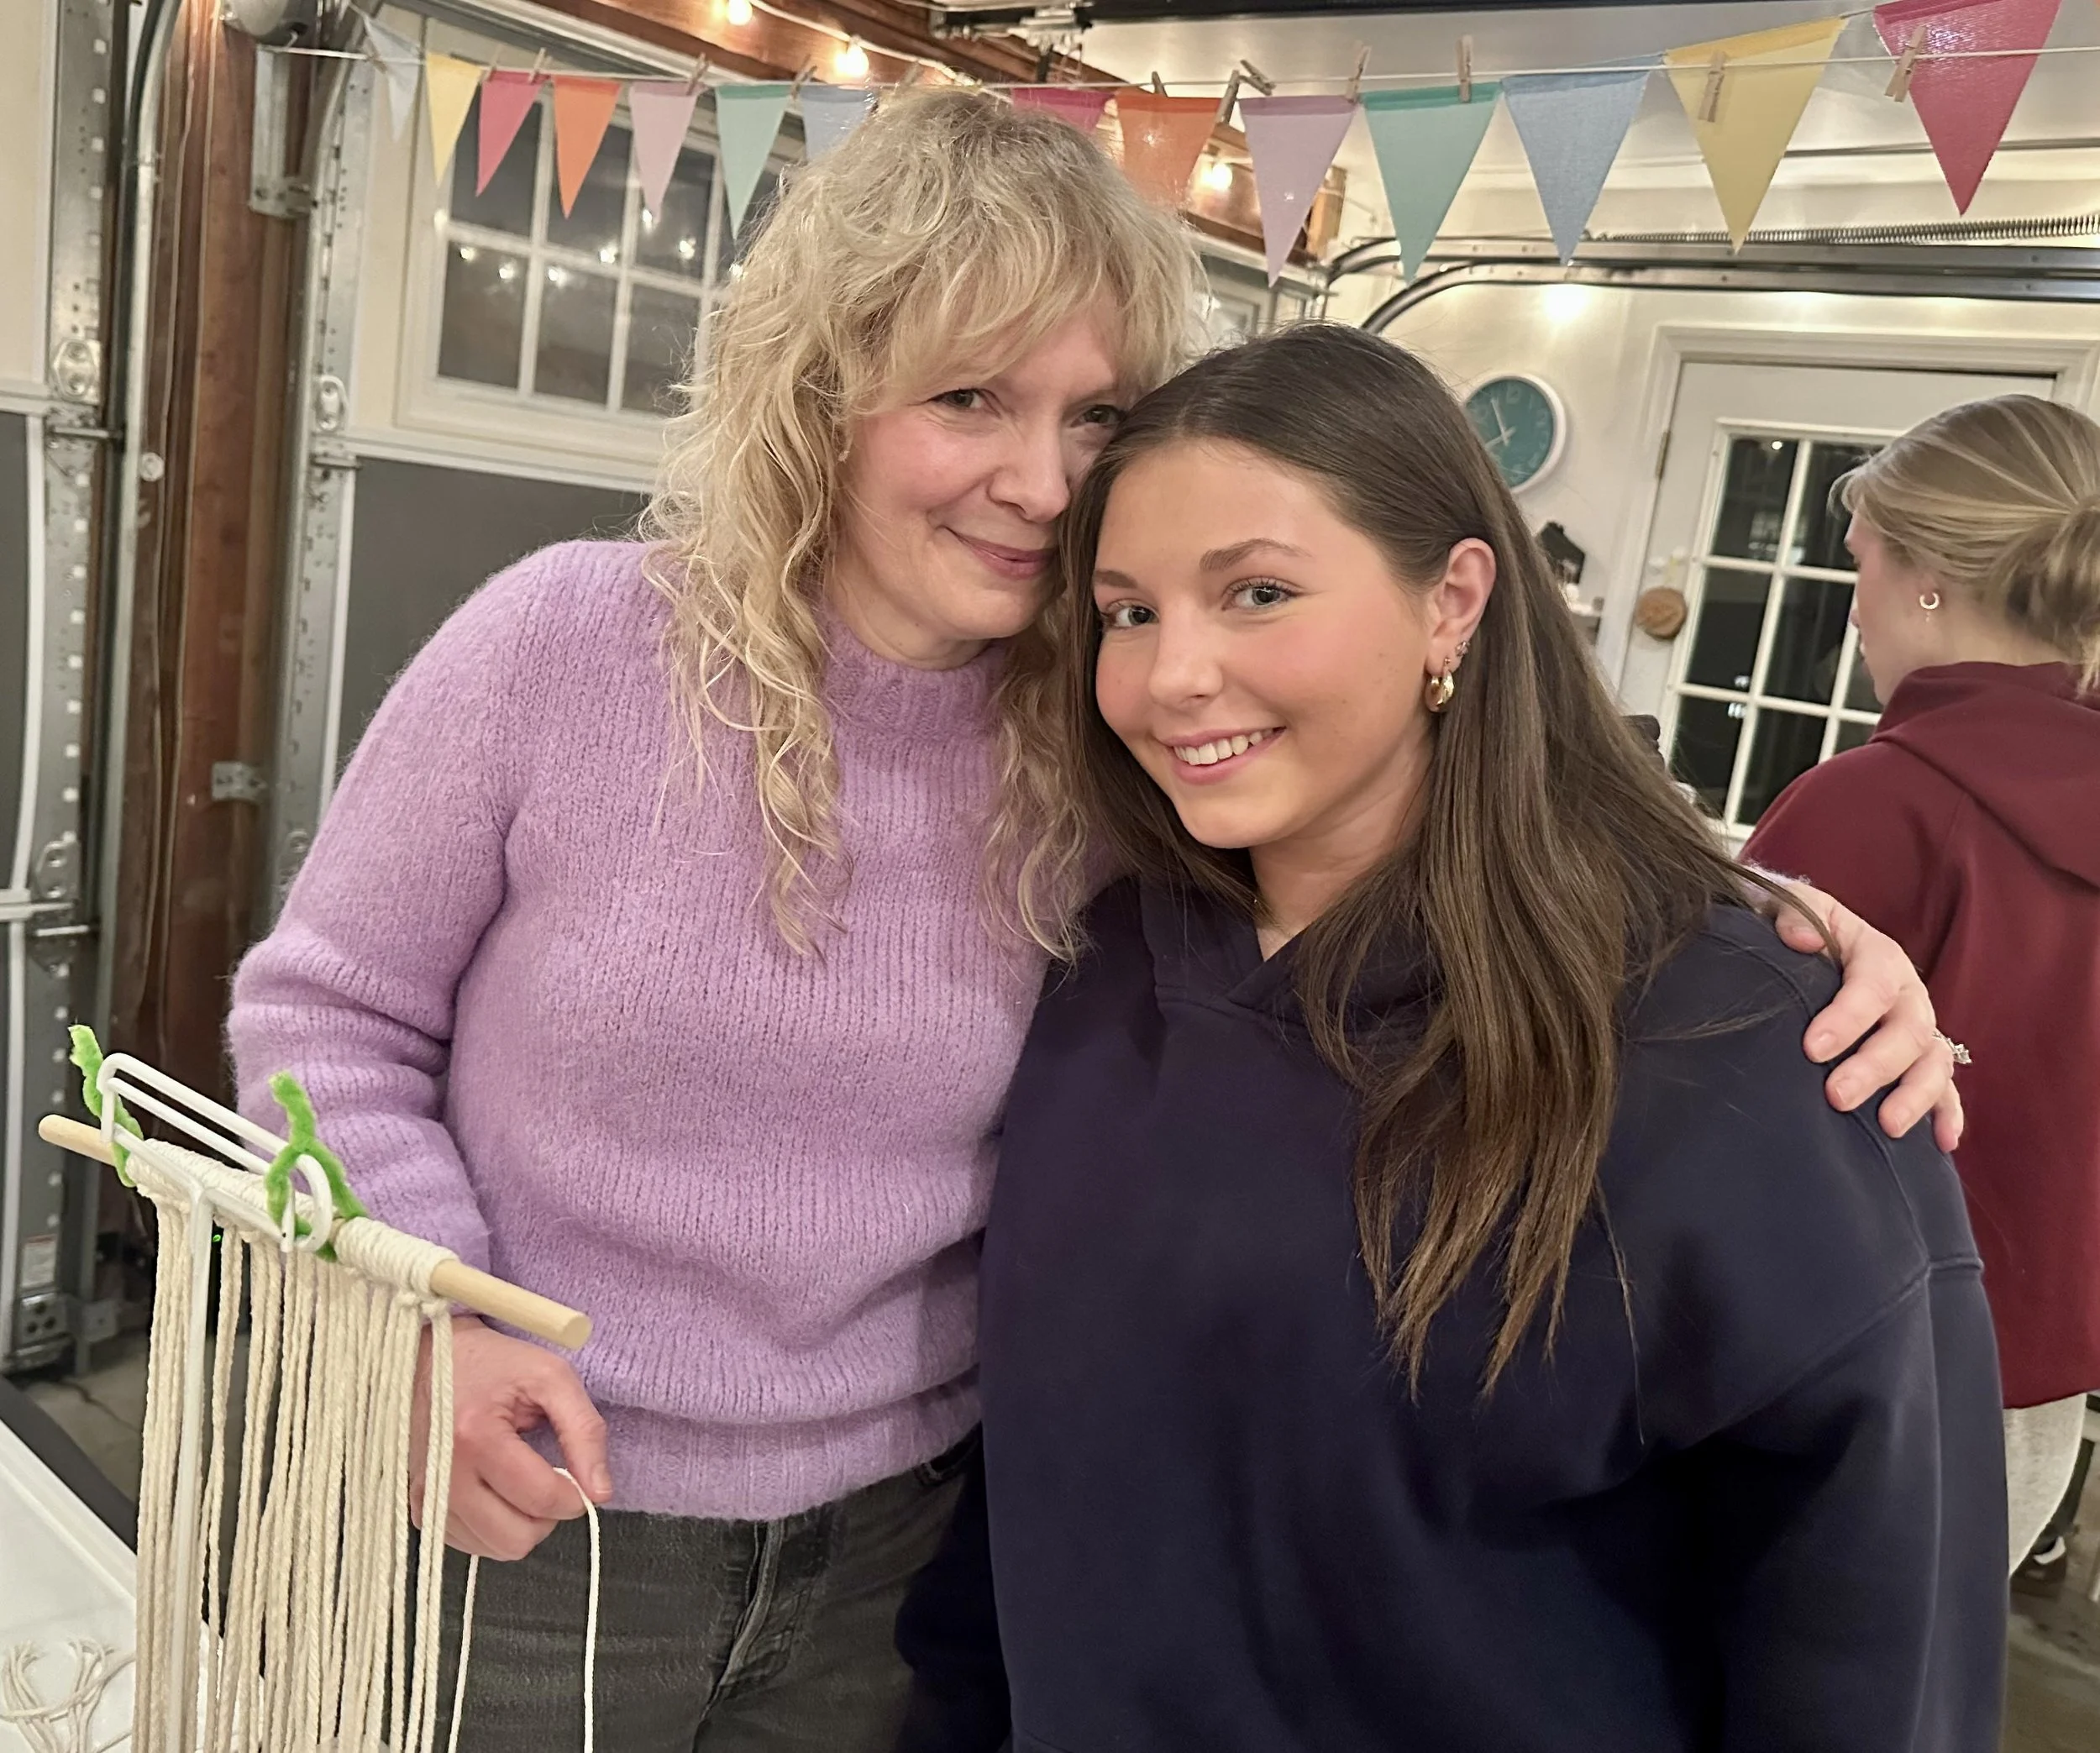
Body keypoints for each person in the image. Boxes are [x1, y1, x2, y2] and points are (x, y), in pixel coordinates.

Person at [228, 92, 1958, 1749]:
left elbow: (1414, 807)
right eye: (970, 398)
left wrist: (1752, 916)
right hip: (524, 1512)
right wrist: (425, 1310)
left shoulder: (1107, 738)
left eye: (1095, 419)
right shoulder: (567, 644)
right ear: (825, 395)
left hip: (903, 1556)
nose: (1044, 483)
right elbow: (326, 1017)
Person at [895, 327, 2006, 1753]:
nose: (1173, 677)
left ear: (1452, 603)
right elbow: (1029, 1504)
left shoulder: (1750, 1051)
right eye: (1127, 612)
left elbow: (1873, 1648)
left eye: (1258, 592)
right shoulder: (1096, 969)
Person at [1744, 394, 2100, 1579]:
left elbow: (1704, 1116)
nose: (1852, 615)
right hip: (2043, 1390)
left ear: (1932, 578)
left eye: (1864, 567)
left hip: (1851, 1371)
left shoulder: (1876, 805)